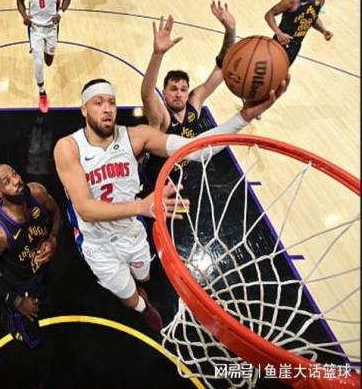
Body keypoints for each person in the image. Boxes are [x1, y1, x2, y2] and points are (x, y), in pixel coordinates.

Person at [53, 77, 288, 332]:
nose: (107, 109)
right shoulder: (68, 147)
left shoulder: (136, 136)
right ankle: (142, 307)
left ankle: (140, 286)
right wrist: (141, 207)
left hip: (131, 231)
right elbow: (86, 209)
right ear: (84, 109)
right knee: (128, 294)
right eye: (98, 103)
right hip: (98, 245)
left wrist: (244, 117)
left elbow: (195, 150)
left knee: (144, 274)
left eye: (111, 102)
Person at [140, 2, 236, 192]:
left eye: (183, 89)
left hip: (180, 178)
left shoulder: (194, 103)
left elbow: (221, 69)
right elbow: (146, 94)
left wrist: (230, 30)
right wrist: (157, 55)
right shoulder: (161, 116)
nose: (179, 93)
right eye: (173, 89)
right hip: (154, 183)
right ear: (164, 93)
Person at [0, 164, 60, 350]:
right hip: (21, 284)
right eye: (7, 182)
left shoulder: (37, 193)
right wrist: (18, 301)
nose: (17, 181)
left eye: (15, 174)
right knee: (30, 328)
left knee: (45, 299)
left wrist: (53, 238)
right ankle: (19, 329)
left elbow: (56, 212)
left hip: (42, 270)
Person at [16, 0, 72, 114]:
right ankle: (42, 92)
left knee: (49, 61)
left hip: (51, 29)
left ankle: (47, 55)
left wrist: (60, 13)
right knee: (39, 63)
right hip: (35, 29)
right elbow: (19, 0)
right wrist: (24, 16)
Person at [264, 0, 333, 65]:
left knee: (281, 73)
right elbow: (269, 14)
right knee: (269, 71)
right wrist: (278, 33)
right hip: (281, 42)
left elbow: (313, 18)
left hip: (295, 46)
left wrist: (323, 31)